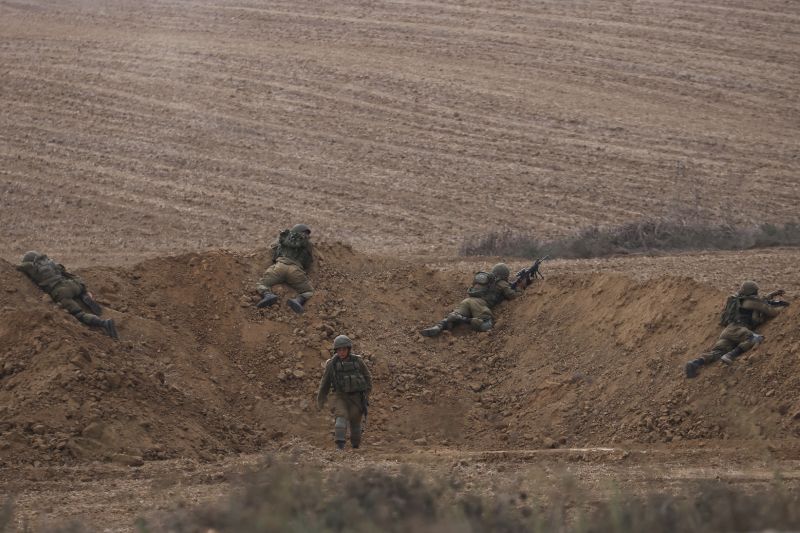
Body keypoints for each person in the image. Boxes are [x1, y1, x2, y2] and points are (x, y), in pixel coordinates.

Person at [685, 281, 786, 378]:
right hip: (739, 329)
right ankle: (730, 355)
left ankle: (695, 363)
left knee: (718, 352)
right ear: (753, 292)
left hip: (728, 331)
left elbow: (760, 300)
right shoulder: (752, 302)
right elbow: (772, 312)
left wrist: (772, 294)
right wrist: (786, 307)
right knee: (754, 338)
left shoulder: (738, 299)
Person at [17, 251, 118, 338]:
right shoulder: (50, 262)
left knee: (79, 314)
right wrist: (84, 289)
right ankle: (83, 295)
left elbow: (20, 267)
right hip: (72, 284)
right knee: (77, 289)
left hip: (61, 292)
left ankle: (104, 323)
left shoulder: (31, 267)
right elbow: (64, 271)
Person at [420, 262, 521, 337]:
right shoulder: (502, 283)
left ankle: (439, 326)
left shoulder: (486, 280)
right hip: (479, 304)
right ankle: (464, 319)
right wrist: (520, 289)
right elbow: (512, 295)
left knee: (455, 314)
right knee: (486, 324)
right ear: (505, 275)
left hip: (468, 300)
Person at [316, 335, 372, 450]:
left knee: (355, 424)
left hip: (356, 398)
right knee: (340, 420)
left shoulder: (358, 361)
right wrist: (320, 400)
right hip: (340, 397)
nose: (341, 352)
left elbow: (368, 378)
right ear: (336, 350)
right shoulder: (332, 364)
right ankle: (340, 447)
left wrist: (366, 395)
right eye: (339, 350)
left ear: (348, 349)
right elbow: (325, 383)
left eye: (344, 349)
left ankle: (355, 447)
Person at [255, 224, 314, 314]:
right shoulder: (308, 244)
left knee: (262, 284)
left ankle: (268, 295)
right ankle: (298, 301)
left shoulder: (284, 239)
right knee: (308, 291)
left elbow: (274, 253)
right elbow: (307, 263)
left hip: (279, 267)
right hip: (295, 271)